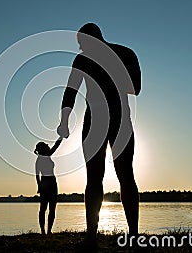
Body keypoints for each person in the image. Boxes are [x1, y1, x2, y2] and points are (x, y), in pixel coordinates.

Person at [57, 23, 141, 246]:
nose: (80, 49)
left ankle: (132, 235)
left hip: (117, 118)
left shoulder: (122, 54)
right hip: (96, 120)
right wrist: (63, 121)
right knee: (96, 177)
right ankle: (92, 235)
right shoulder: (86, 59)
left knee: (124, 174)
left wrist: (108, 72)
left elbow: (136, 88)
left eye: (81, 43)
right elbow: (70, 92)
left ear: (91, 39)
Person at [34, 137, 62, 235]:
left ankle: (48, 231)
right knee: (44, 208)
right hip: (47, 182)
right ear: (43, 149)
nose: (48, 145)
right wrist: (39, 186)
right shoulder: (41, 159)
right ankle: (43, 231)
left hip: (51, 182)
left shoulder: (46, 156)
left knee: (51, 208)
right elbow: (37, 175)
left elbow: (55, 146)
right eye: (46, 145)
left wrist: (61, 137)